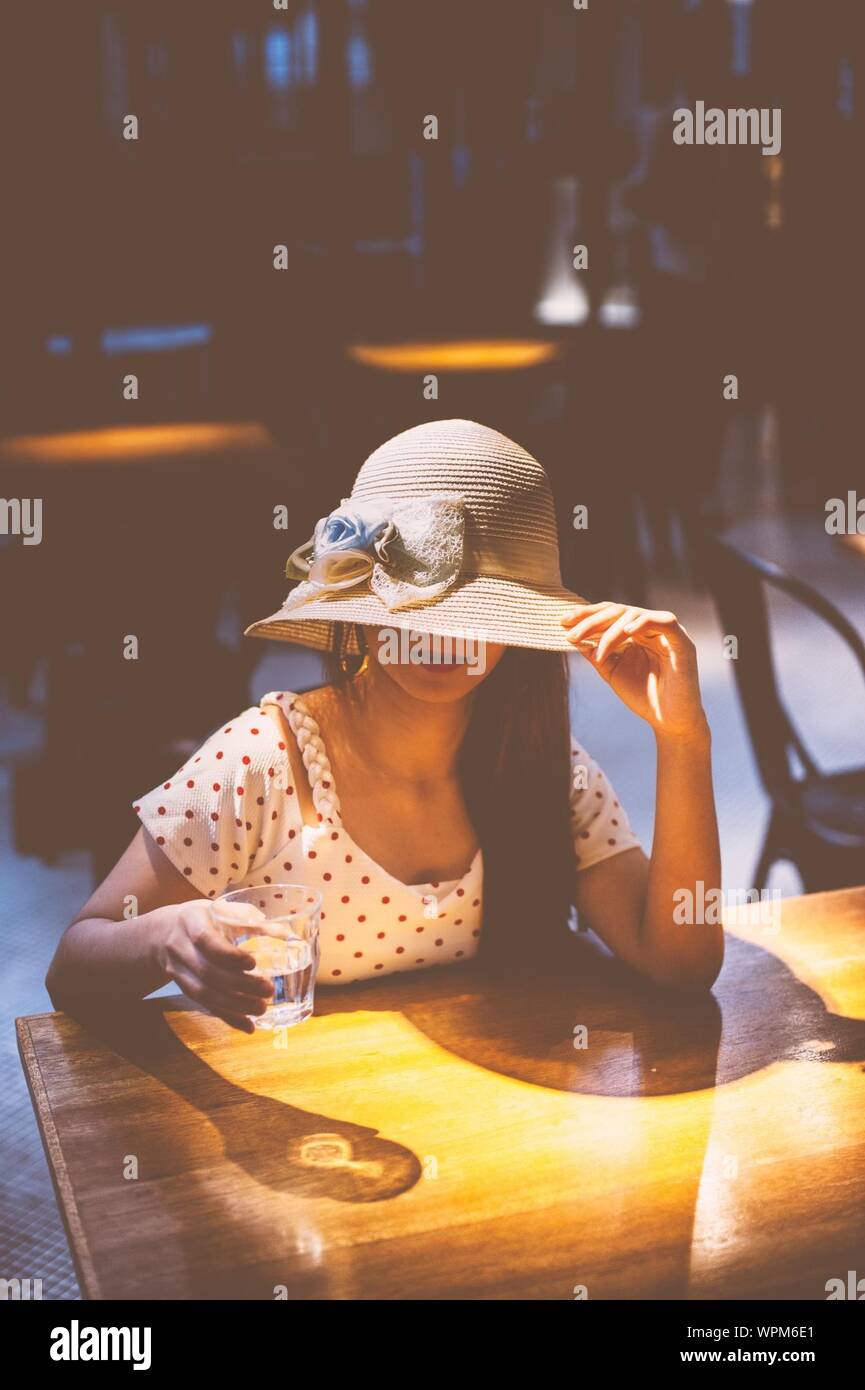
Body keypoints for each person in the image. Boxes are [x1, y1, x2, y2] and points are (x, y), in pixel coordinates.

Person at [46, 419, 722, 1032]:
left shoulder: (542, 765)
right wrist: (167, 934)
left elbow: (681, 964)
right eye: (415, 605)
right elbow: (74, 966)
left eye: (477, 611)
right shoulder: (261, 762)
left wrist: (684, 740)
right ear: (361, 600)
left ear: (516, 630)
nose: (440, 636)